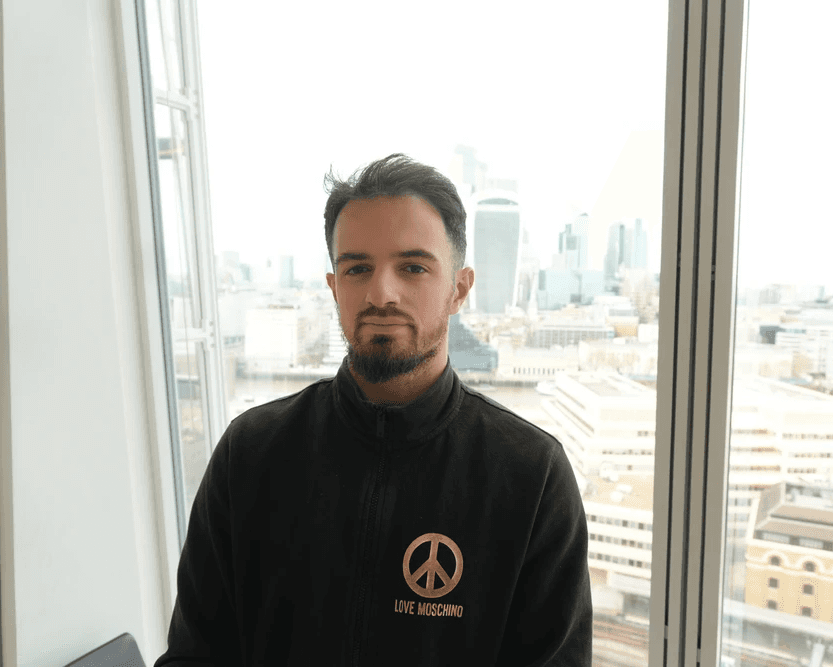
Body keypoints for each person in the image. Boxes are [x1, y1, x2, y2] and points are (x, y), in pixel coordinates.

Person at [155, 154, 592, 666]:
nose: (381, 294)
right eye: (358, 268)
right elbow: (193, 655)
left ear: (459, 289)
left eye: (413, 267)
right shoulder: (251, 453)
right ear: (334, 286)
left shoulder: (530, 475)